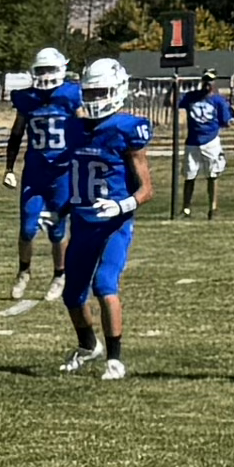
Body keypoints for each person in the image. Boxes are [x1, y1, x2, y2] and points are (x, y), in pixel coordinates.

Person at [58, 58, 152, 381]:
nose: (96, 98)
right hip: (83, 222)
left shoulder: (127, 129)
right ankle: (88, 346)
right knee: (72, 295)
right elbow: (72, 174)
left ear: (117, 90)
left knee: (104, 284)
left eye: (102, 91)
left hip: (114, 223)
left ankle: (115, 359)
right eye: (91, 92)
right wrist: (59, 206)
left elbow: (147, 189)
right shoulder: (73, 128)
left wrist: (122, 205)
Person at [3, 47, 78, 302]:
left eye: (49, 69)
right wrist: (9, 168)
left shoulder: (71, 96)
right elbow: (16, 134)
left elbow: (83, 129)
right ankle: (23, 271)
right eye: (41, 70)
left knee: (57, 230)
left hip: (61, 174)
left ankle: (60, 274)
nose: (45, 75)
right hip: (34, 173)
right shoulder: (27, 98)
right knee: (27, 227)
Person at [177, 70, 234, 218]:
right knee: (189, 175)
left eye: (210, 82)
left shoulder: (218, 101)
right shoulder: (191, 97)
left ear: (214, 83)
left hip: (211, 141)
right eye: (205, 81)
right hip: (192, 141)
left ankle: (213, 208)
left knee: (212, 175)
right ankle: (186, 208)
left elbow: (226, 121)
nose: (207, 85)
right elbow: (172, 103)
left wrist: (228, 121)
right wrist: (175, 85)